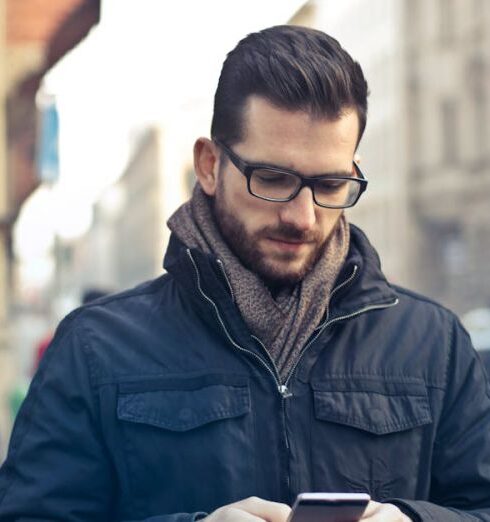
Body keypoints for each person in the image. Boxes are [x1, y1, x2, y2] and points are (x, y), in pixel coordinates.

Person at [1, 25, 489, 522]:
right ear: (209, 166)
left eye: (329, 184)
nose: (302, 216)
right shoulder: (94, 348)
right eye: (272, 179)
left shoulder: (436, 344)